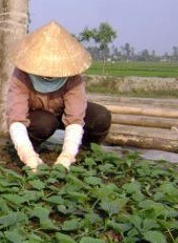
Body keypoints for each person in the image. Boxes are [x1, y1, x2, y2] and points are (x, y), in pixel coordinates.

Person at [6, 20, 111, 170]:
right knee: (45, 123)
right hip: (39, 118)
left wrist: (67, 155)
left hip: (65, 114)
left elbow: (75, 118)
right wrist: (26, 153)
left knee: (100, 116)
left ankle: (85, 153)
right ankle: (30, 151)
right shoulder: (22, 75)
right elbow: (16, 117)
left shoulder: (72, 77)